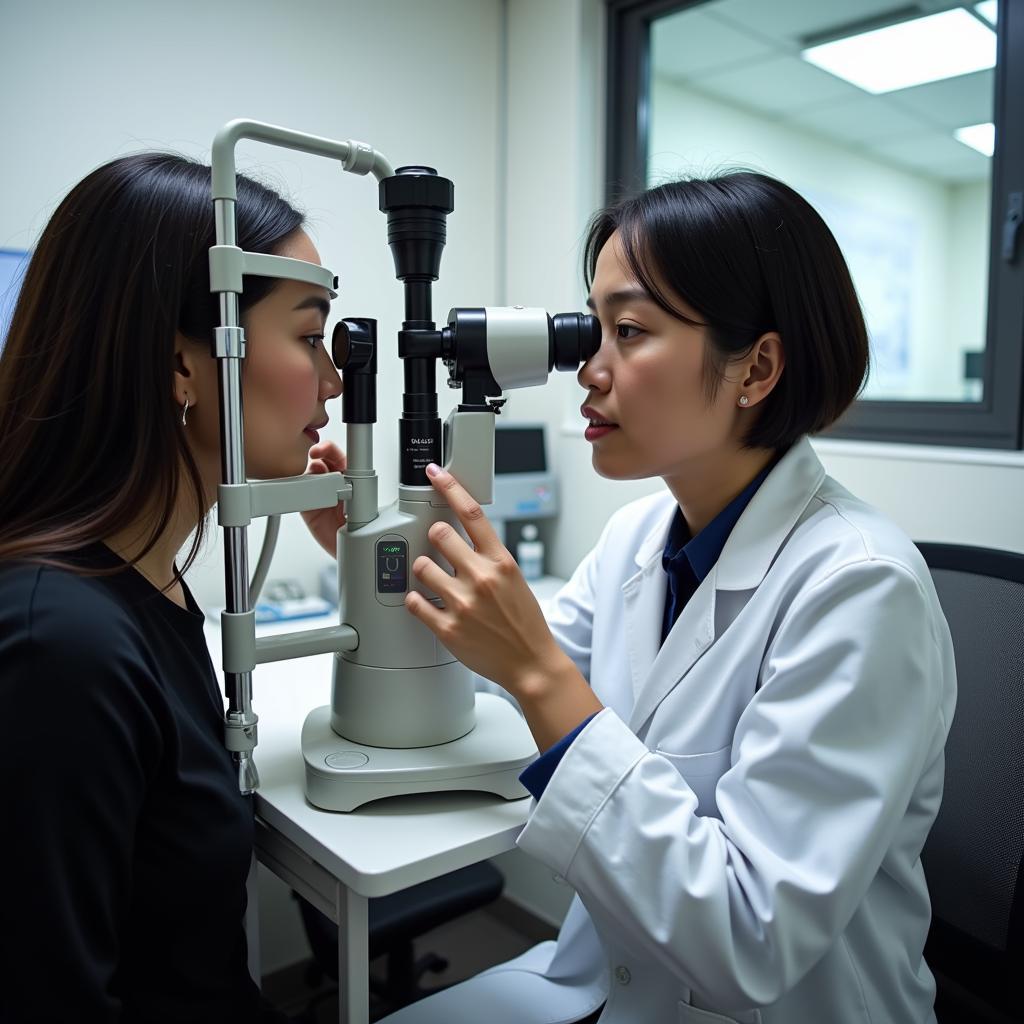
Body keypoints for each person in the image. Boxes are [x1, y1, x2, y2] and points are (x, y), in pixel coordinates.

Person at [385, 172, 957, 1024]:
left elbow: (749, 938)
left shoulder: (861, 589)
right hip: (609, 981)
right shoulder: (640, 535)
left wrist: (542, 675)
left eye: (627, 331)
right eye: (593, 326)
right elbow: (499, 685)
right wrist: (380, 561)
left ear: (756, 366)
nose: (589, 367)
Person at [0, 153, 347, 1023]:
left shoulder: (150, 587)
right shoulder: (61, 648)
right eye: (310, 338)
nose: (335, 380)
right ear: (183, 367)